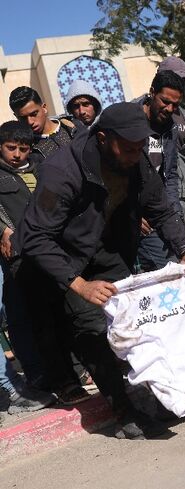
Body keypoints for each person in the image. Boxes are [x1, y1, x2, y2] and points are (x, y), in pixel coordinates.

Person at [16, 102, 185, 439]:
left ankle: (164, 394)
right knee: (93, 331)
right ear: (103, 139)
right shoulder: (62, 171)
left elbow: (161, 208)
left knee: (134, 324)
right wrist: (79, 285)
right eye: (128, 148)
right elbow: (35, 237)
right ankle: (125, 411)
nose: (136, 155)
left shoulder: (135, 158)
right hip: (67, 260)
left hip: (110, 249)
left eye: (140, 147)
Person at [0, 121, 57, 414]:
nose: (16, 154)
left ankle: (61, 371)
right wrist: (3, 231)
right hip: (15, 255)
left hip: (44, 249)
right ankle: (21, 382)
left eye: (22, 149)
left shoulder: (40, 166)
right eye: (10, 148)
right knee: (19, 316)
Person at [136, 70, 185, 271]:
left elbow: (170, 175)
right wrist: (130, 215)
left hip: (161, 212)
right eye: (165, 101)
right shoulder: (130, 121)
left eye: (175, 105)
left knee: (181, 267)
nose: (170, 109)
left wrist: (175, 215)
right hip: (134, 218)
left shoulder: (171, 127)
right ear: (152, 92)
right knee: (166, 270)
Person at [9, 86, 79, 162]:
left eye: (34, 114)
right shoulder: (27, 152)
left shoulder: (75, 127)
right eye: (23, 118)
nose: (30, 122)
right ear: (16, 117)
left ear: (44, 108)